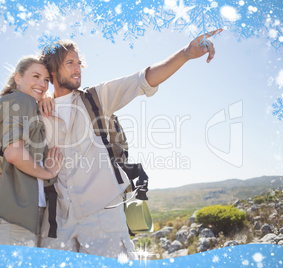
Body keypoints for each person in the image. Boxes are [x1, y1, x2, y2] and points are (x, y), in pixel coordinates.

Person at [37, 29, 223, 258]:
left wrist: (185, 53)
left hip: (104, 216)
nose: (78, 68)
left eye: (78, 62)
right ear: (53, 70)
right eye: (70, 63)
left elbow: (142, 79)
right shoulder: (37, 109)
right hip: (58, 221)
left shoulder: (95, 98)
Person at [0, 56, 63, 247]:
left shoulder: (20, 103)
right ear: (18, 78)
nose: (42, 84)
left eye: (46, 80)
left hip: (23, 216)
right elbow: (13, 153)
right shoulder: (20, 99)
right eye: (35, 76)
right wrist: (48, 172)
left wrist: (45, 97)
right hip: (15, 220)